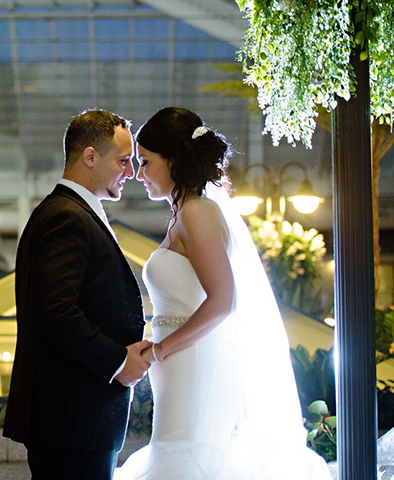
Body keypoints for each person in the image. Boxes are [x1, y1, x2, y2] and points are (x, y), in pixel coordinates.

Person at [115, 107, 332, 479]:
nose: (138, 173)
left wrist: (160, 350)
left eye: (146, 162)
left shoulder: (197, 213)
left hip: (191, 362)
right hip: (181, 361)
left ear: (174, 161)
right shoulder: (184, 214)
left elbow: (222, 300)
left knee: (185, 458)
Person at [4, 109, 151, 480]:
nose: (131, 171)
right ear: (90, 157)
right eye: (123, 160)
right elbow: (55, 311)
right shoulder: (66, 217)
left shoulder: (71, 212)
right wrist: (119, 361)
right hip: (72, 418)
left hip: (75, 420)